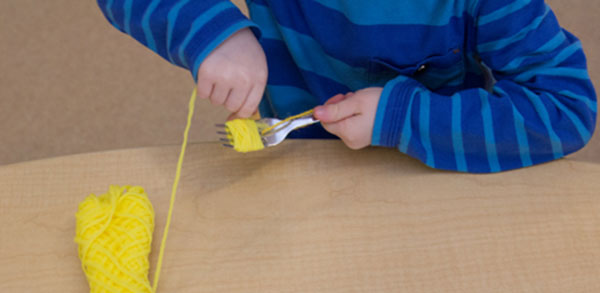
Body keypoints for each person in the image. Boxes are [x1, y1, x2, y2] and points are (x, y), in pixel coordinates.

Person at [96, 0, 597, 173]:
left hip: (441, 166)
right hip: (300, 163)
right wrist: (212, 33)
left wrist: (402, 119)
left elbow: (567, 107)